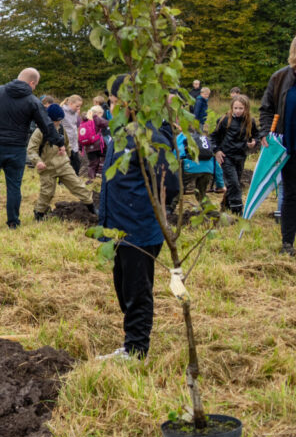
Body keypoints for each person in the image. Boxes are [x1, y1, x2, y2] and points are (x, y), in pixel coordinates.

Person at [98, 75, 179, 360]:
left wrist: (149, 214)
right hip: (118, 228)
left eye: (114, 101)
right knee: (124, 288)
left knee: (137, 291)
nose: (111, 106)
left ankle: (136, 350)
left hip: (139, 228)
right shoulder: (121, 134)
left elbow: (171, 185)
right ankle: (133, 341)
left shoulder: (150, 137)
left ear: (131, 103)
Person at [0, 67, 65, 228]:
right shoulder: (33, 101)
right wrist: (59, 141)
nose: (35, 88)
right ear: (31, 82)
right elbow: (46, 125)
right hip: (16, 149)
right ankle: (13, 222)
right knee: (14, 186)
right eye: (35, 85)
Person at [259, 34, 296, 255]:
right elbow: (266, 108)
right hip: (289, 147)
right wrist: (265, 132)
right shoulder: (280, 78)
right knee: (291, 194)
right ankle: (287, 243)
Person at [27, 107, 94, 221]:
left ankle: (91, 207)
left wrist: (66, 154)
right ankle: (39, 214)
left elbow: (66, 144)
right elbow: (31, 149)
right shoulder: (40, 132)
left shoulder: (61, 129)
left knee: (77, 185)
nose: (58, 123)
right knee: (47, 193)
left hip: (63, 165)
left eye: (59, 120)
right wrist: (37, 161)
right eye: (55, 121)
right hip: (47, 168)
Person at [211, 94, 259, 215]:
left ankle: (225, 206)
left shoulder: (250, 122)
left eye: (241, 108)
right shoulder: (224, 120)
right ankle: (237, 210)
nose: (237, 111)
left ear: (246, 109)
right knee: (234, 183)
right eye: (235, 108)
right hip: (226, 156)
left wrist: (254, 142)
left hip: (241, 156)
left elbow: (256, 135)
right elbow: (213, 137)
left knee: (234, 182)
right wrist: (216, 151)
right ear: (232, 108)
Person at [176, 129, 215, 202]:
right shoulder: (207, 141)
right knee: (201, 193)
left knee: (178, 189)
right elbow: (215, 163)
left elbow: (178, 154)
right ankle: (211, 212)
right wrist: (220, 185)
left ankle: (168, 209)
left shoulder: (182, 136)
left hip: (190, 167)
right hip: (208, 169)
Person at [79, 105, 109, 181]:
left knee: (92, 163)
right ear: (98, 113)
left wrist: (80, 147)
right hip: (98, 144)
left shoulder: (83, 121)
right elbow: (106, 123)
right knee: (106, 156)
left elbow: (81, 135)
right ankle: (100, 174)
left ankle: (91, 179)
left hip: (88, 147)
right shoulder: (95, 118)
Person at [61, 95, 84, 174]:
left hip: (74, 144)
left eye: (80, 106)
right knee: (66, 164)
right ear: (70, 103)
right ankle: (62, 182)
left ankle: (76, 181)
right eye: (77, 106)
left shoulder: (75, 113)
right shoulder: (62, 111)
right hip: (66, 143)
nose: (78, 108)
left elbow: (76, 126)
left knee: (76, 164)